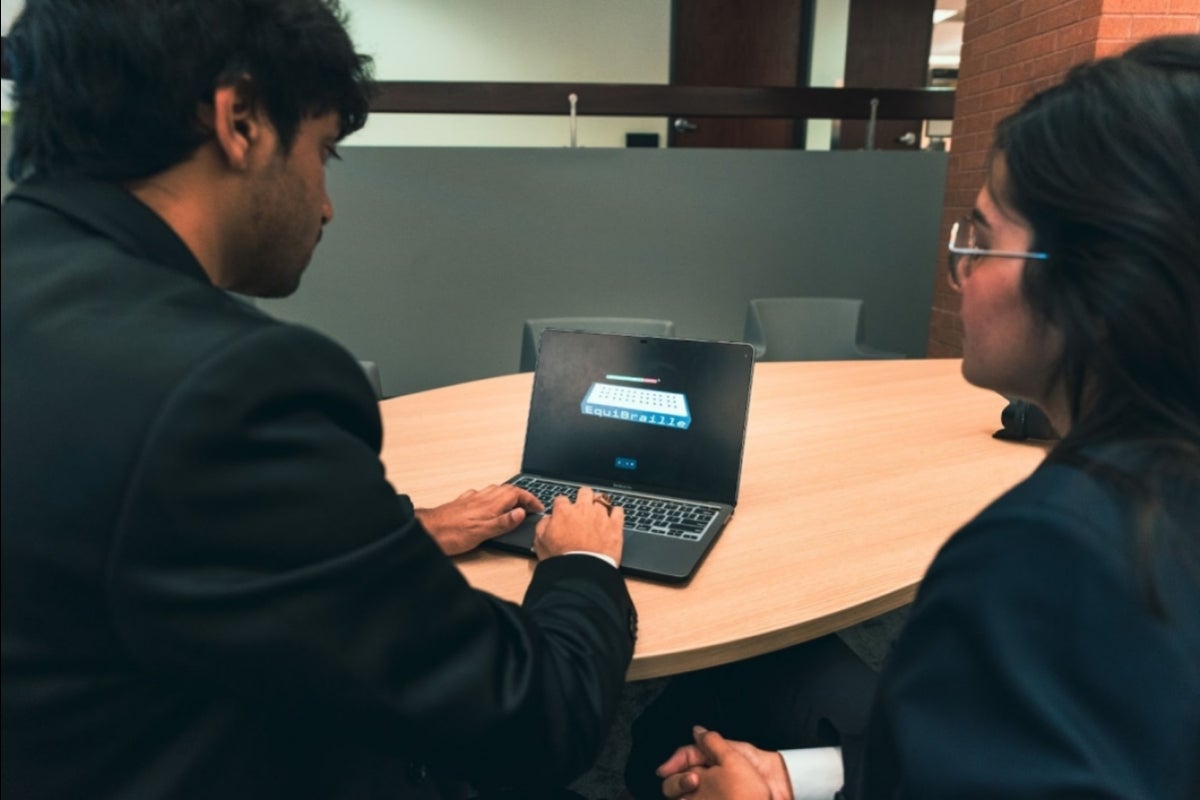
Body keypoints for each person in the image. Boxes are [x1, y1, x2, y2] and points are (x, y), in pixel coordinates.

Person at [0, 2, 637, 798]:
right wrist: (582, 564)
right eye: (324, 151)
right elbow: (535, 719)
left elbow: (138, 542)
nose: (326, 203)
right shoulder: (227, 393)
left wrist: (397, 534)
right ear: (241, 121)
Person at [633, 33, 1200, 800]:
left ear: (1105, 281)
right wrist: (794, 778)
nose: (960, 271)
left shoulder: (1039, 562)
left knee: (674, 733)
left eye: (983, 238)